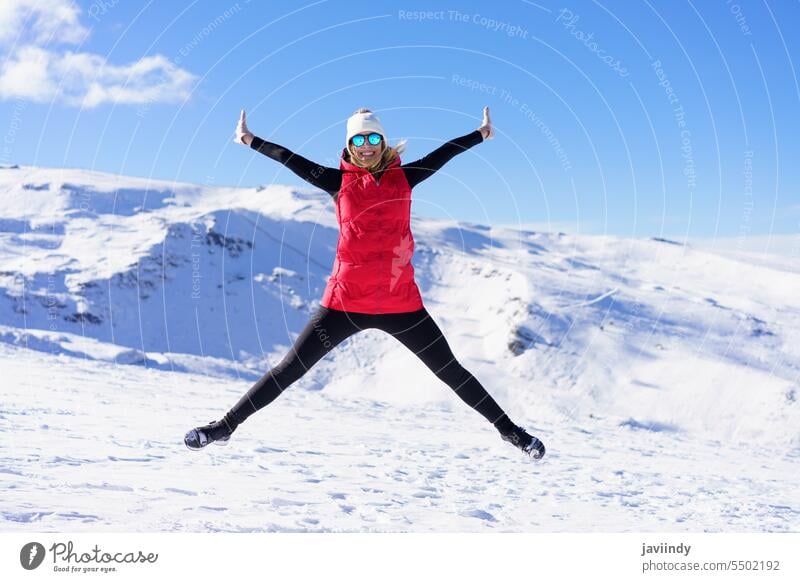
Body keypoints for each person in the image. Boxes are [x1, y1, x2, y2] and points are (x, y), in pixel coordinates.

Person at [184, 107, 545, 460]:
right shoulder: (335, 181)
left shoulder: (407, 176)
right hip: (343, 304)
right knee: (289, 369)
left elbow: (444, 153)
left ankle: (512, 433)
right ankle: (225, 426)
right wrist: (249, 140)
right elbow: (288, 158)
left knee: (450, 371)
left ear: (383, 141)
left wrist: (481, 134)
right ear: (350, 145)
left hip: (400, 304)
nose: (367, 144)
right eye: (359, 138)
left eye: (374, 137)